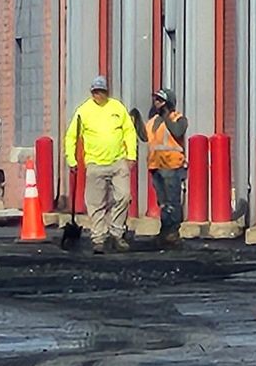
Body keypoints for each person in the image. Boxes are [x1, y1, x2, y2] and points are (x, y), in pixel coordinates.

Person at [64, 75, 137, 255]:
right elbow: (71, 136)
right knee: (96, 203)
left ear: (106, 92)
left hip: (118, 161)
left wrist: (131, 155)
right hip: (95, 164)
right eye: (95, 91)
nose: (98, 95)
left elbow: (129, 131)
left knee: (124, 196)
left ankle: (117, 233)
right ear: (92, 92)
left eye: (101, 91)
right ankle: (98, 238)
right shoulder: (83, 111)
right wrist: (71, 159)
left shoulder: (117, 108)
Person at [142, 88, 188, 246]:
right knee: (163, 202)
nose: (156, 103)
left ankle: (173, 232)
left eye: (160, 100)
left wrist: (166, 114)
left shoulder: (178, 119)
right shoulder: (153, 121)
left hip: (172, 166)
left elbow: (177, 132)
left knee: (173, 201)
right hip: (156, 166)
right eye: (156, 100)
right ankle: (165, 231)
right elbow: (144, 136)